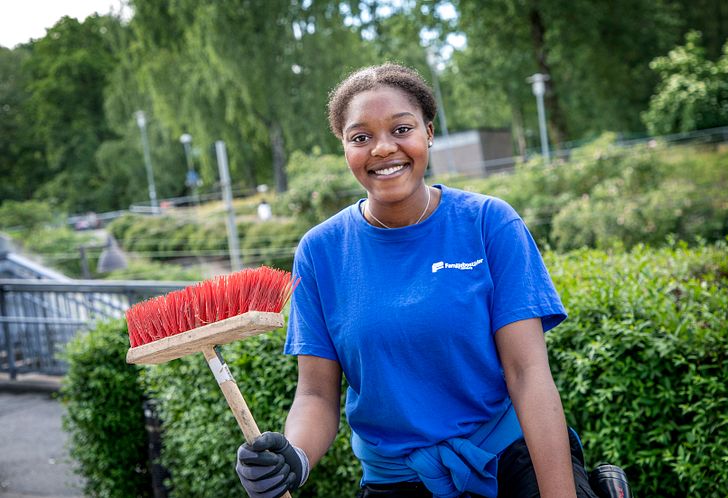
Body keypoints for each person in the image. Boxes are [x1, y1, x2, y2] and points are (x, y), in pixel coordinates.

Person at [235, 63, 632, 498]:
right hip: (398, 479)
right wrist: (295, 458)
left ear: (428, 132)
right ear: (344, 148)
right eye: (360, 137)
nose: (383, 149)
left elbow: (528, 374)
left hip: (508, 462)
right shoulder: (320, 251)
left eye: (400, 129)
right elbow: (316, 395)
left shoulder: (489, 222)